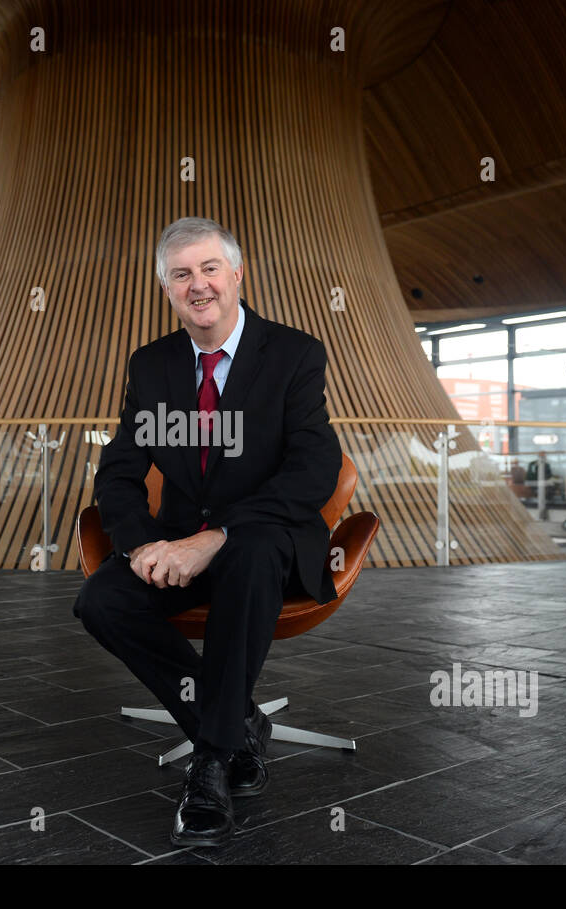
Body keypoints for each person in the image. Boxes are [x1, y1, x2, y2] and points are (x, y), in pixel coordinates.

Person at [73, 217, 342, 848]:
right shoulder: (153, 365)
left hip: (263, 537)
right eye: (181, 274)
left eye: (210, 268)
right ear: (167, 289)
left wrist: (215, 536)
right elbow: (118, 472)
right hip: (173, 543)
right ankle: (233, 722)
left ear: (237, 275)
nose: (199, 286)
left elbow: (314, 468)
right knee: (101, 599)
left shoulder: (294, 353)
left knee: (248, 556)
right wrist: (142, 546)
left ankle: (211, 765)